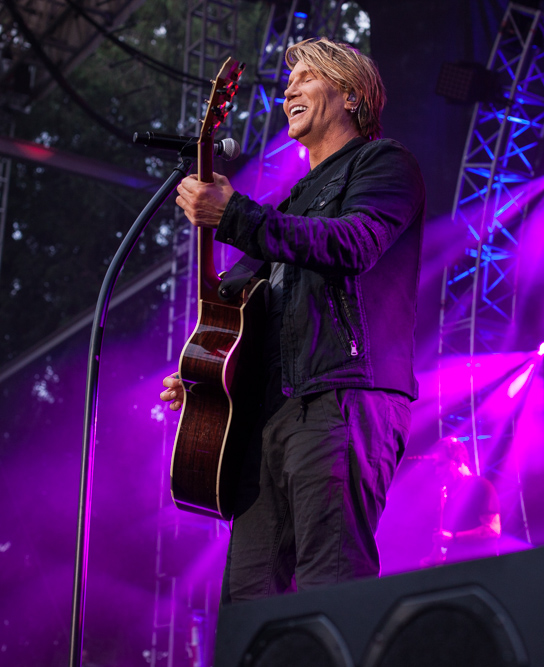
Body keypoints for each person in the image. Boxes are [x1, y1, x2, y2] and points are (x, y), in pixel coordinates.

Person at [162, 37, 424, 603]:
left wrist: (234, 214)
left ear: (351, 95)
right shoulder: (288, 205)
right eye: (289, 81)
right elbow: (240, 312)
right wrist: (206, 375)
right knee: (247, 603)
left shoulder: (385, 164)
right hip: (269, 415)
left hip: (343, 396)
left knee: (332, 585)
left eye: (306, 77)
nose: (290, 89)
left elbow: (354, 243)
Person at [427, 439, 501, 565]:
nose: (436, 472)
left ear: (458, 461)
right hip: (456, 569)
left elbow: (493, 530)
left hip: (481, 567)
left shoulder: (480, 486)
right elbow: (446, 536)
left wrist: (455, 538)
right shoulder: (447, 495)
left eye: (441, 465)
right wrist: (432, 557)